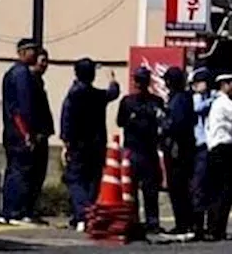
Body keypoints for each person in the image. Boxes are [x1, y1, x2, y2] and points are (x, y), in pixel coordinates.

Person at [59, 58, 120, 231]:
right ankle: (87, 213)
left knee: (76, 180)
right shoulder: (96, 95)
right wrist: (112, 79)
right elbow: (113, 93)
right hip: (97, 144)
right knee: (93, 180)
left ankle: (83, 214)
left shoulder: (73, 94)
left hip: (78, 145)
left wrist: (66, 143)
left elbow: (66, 120)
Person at [202, 73, 232, 242]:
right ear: (224, 85)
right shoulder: (224, 103)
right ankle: (218, 228)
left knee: (215, 191)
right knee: (225, 191)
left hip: (214, 150)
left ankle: (213, 228)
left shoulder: (215, 104)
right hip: (223, 151)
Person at [117, 67, 165, 233]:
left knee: (146, 188)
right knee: (140, 189)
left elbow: (120, 122)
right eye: (138, 79)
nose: (139, 83)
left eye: (141, 80)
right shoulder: (130, 101)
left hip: (143, 150)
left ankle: (143, 221)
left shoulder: (153, 102)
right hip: (137, 149)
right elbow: (120, 122)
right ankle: (143, 221)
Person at [0, 38, 40, 225]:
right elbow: (24, 108)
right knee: (20, 171)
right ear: (21, 52)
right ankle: (15, 211)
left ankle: (7, 211)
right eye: (31, 50)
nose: (35, 54)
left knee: (12, 170)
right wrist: (27, 133)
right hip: (19, 131)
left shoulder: (11, 73)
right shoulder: (22, 75)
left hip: (10, 130)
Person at [161, 67, 196, 235]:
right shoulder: (182, 98)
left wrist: (163, 125)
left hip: (179, 149)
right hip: (180, 148)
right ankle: (183, 222)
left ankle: (184, 223)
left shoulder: (180, 99)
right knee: (178, 187)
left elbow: (176, 124)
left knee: (178, 187)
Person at [25, 48, 54, 223]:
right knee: (32, 174)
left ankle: (31, 209)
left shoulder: (38, 82)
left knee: (38, 175)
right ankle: (26, 209)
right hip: (35, 136)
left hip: (42, 134)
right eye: (42, 60)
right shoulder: (30, 82)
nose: (45, 64)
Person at [188, 68, 214, 237]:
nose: (197, 86)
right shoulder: (197, 99)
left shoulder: (209, 97)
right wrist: (214, 99)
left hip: (207, 146)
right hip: (198, 145)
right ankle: (197, 224)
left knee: (206, 186)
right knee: (198, 186)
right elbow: (197, 108)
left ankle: (204, 223)